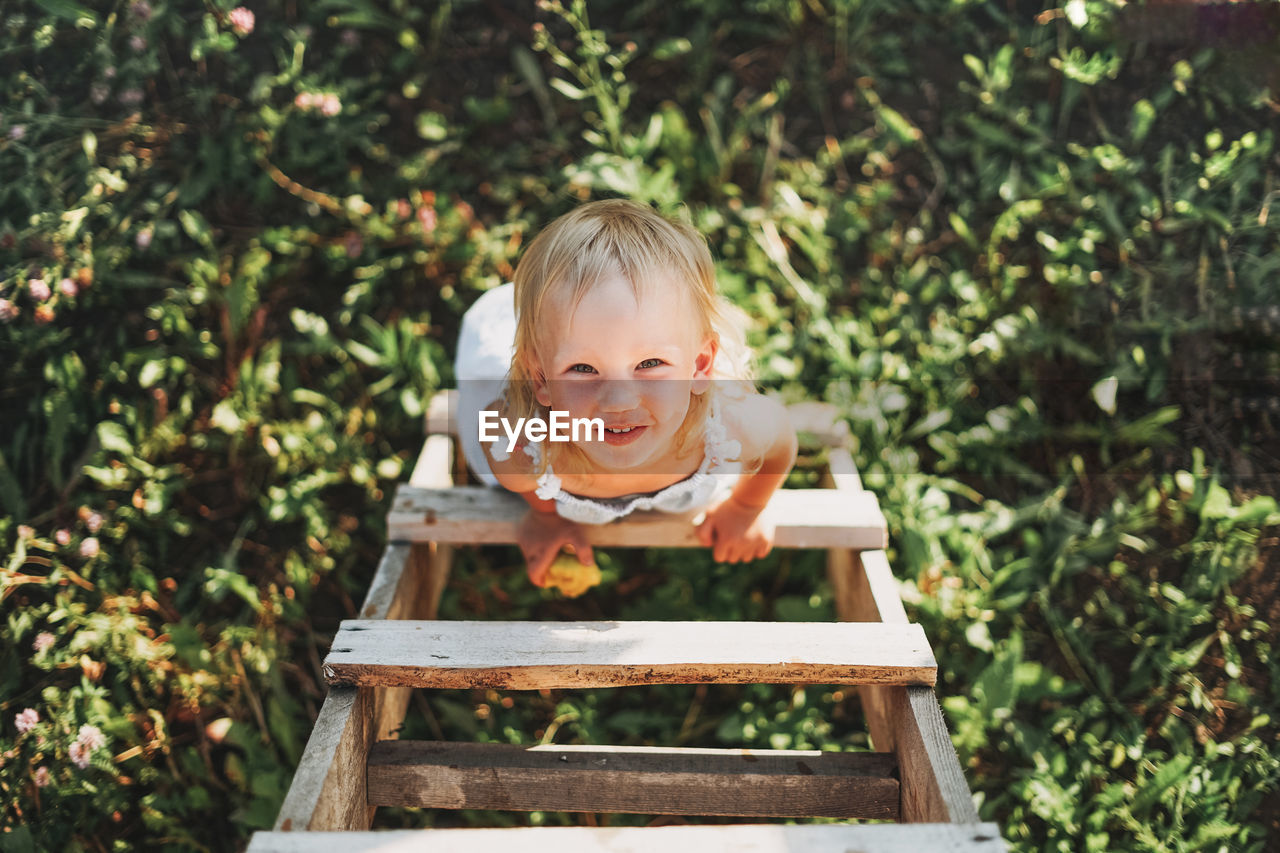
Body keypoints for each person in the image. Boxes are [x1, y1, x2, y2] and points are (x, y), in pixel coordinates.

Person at [454, 199, 798, 587]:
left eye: (650, 364)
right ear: (541, 380)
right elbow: (491, 432)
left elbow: (781, 438)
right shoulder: (525, 452)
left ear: (700, 367)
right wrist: (544, 516)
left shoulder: (733, 427)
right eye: (582, 369)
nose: (619, 401)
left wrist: (746, 508)